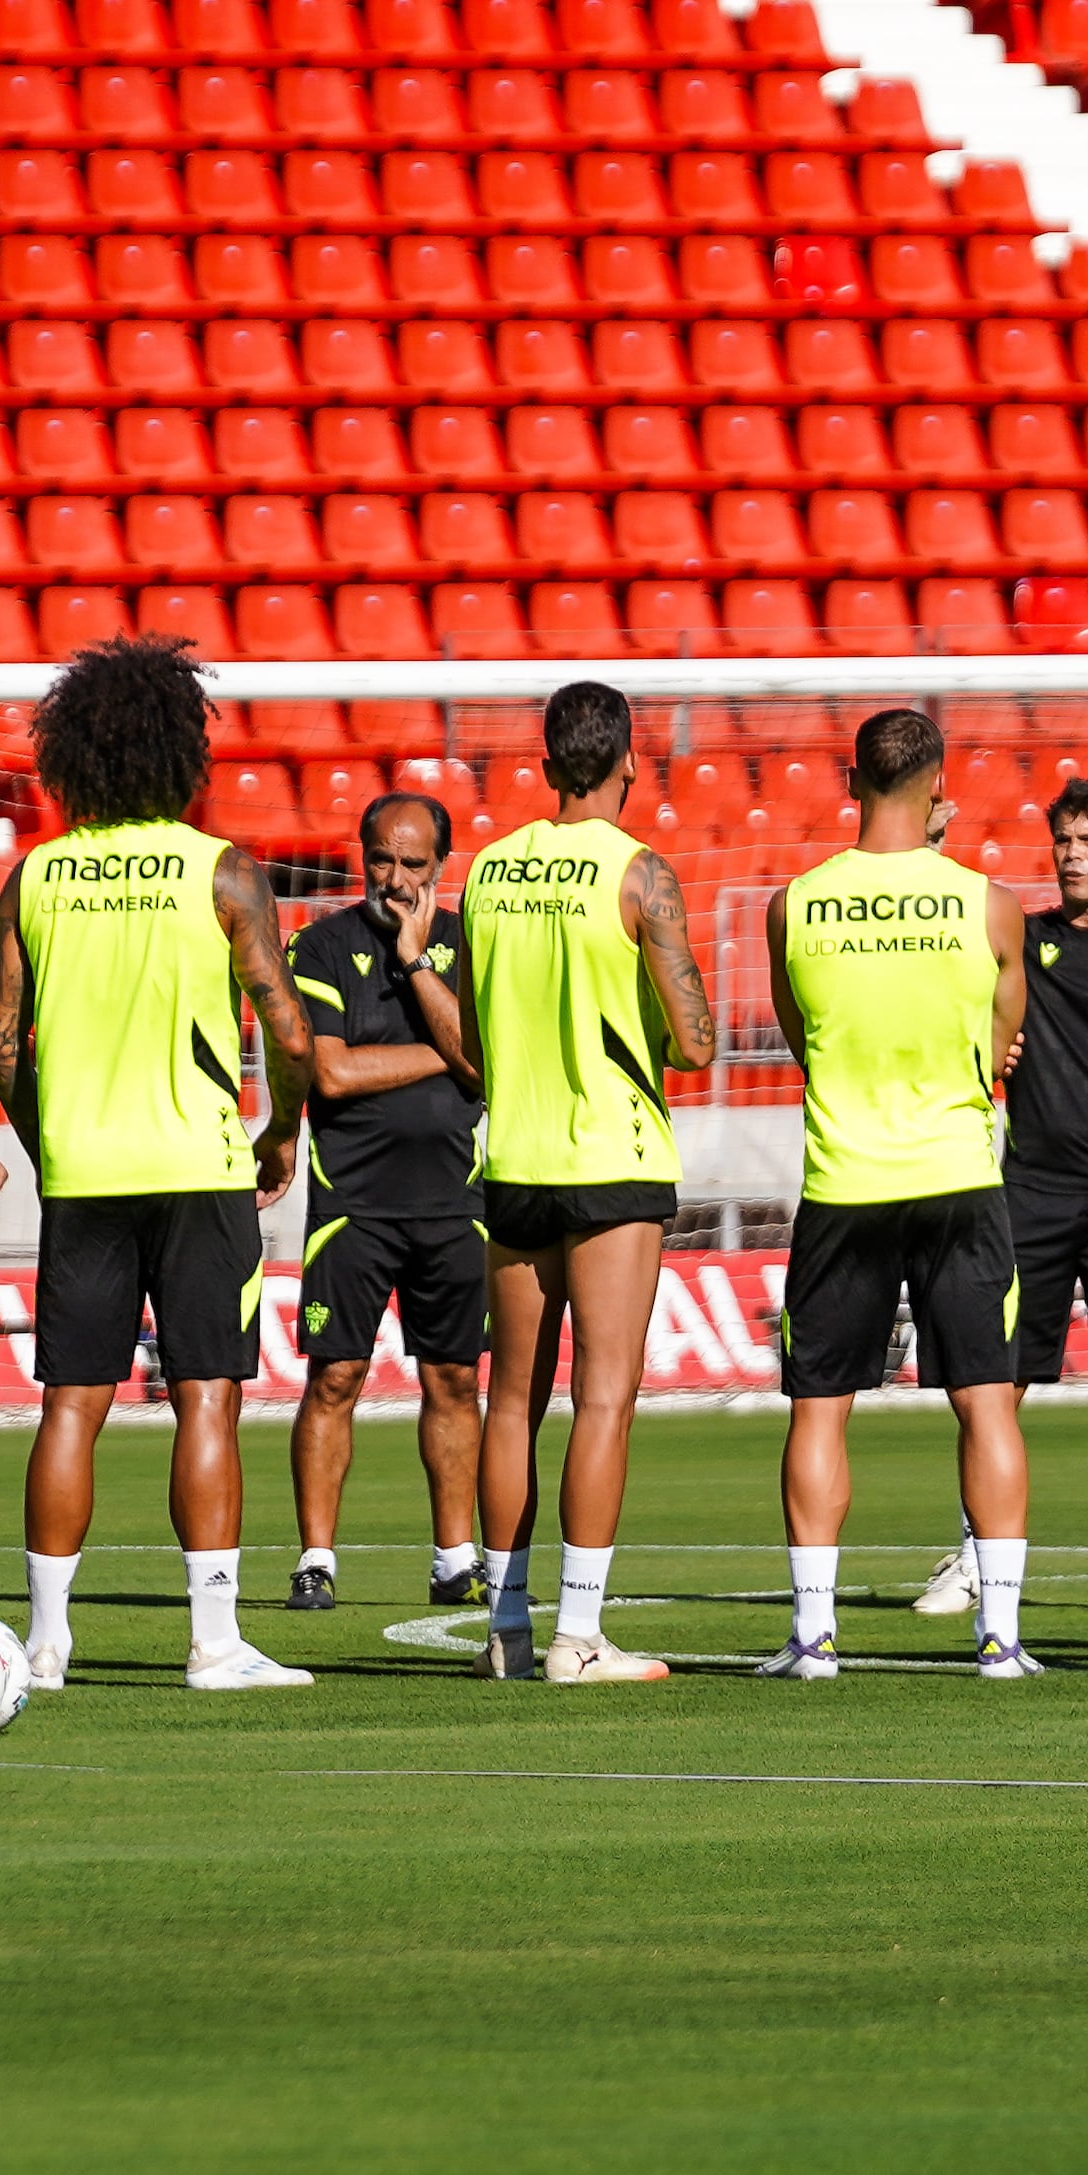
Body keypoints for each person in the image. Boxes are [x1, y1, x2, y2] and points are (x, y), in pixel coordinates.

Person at [0, 639, 313, 1693]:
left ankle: (44, 1644)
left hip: (83, 1171)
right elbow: (287, 1027)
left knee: (69, 1404)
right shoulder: (220, 869)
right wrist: (281, 1126)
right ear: (183, 747)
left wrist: (47, 1137)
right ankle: (213, 1646)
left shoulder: (32, 873)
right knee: (206, 1396)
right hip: (195, 1166)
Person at [759, 705, 1037, 1678]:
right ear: (936, 788)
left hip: (845, 1179)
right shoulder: (987, 903)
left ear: (850, 783)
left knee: (818, 1409)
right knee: (986, 1404)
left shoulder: (793, 903)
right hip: (958, 1175)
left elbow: (800, 1040)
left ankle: (812, 1636)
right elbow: (1004, 1042)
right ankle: (999, 1637)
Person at [461, 678, 717, 1684]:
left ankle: (504, 1627)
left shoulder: (486, 872)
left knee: (511, 1400)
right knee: (603, 1394)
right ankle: (578, 1635)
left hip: (514, 1155)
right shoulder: (638, 874)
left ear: (541, 763)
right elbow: (695, 1041)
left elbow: (481, 1038)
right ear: (625, 765)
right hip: (609, 1153)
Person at [919, 772, 1088, 1622]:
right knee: (998, 1386)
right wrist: (925, 844)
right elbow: (935, 931)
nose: (1071, 854)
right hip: (1028, 1194)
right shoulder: (1021, 940)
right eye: (1062, 839)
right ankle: (974, 1554)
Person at [278, 792, 487, 1614]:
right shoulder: (320, 945)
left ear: (441, 866)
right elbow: (331, 1073)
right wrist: (449, 1058)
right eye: (382, 859)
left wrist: (415, 962)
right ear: (360, 853)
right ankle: (316, 1560)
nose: (396, 878)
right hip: (352, 1201)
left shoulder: (471, 943)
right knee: (335, 1376)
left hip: (454, 1200)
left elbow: (489, 1064)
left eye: (414, 864)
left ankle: (454, 1559)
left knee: (454, 1381)